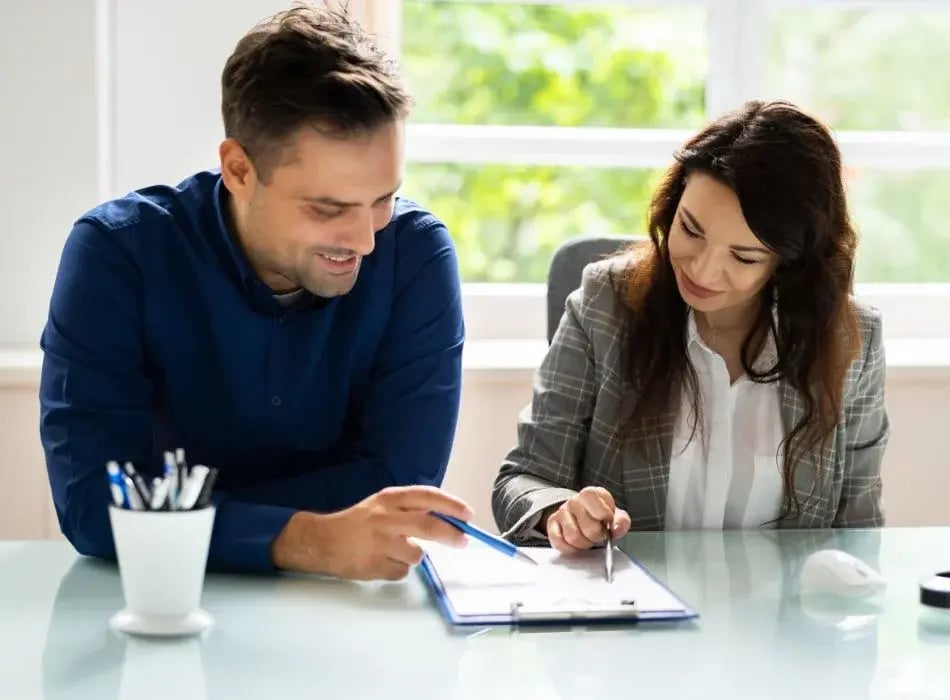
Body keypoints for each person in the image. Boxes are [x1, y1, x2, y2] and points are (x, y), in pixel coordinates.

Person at [39, 5, 473, 579]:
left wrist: (188, 512)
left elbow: (396, 486)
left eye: (383, 198)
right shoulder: (118, 254)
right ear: (239, 169)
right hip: (156, 603)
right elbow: (92, 505)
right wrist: (307, 539)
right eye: (328, 209)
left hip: (345, 612)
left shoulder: (416, 256)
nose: (366, 240)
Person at [493, 99, 889, 553]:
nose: (702, 270)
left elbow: (860, 531)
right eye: (691, 229)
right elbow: (522, 479)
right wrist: (558, 513)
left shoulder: (850, 340)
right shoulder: (606, 303)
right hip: (636, 615)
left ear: (789, 261)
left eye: (742, 257)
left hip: (783, 620)